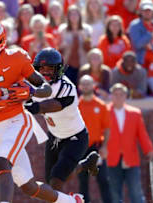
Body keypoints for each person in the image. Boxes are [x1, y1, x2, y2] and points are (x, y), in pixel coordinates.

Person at [0, 18, 84, 203]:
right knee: (29, 186)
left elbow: (46, 89)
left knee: (2, 161)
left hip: (18, 120)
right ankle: (71, 201)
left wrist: (31, 92)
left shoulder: (16, 57)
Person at [24, 48, 100, 191]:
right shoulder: (35, 85)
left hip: (75, 137)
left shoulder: (66, 86)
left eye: (50, 69)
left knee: (56, 180)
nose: (45, 72)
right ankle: (85, 164)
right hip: (54, 136)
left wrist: (33, 107)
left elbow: (54, 105)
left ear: (58, 70)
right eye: (42, 68)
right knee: (49, 183)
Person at [107, 83, 153, 203]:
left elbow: (142, 134)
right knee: (114, 193)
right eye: (115, 94)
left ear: (126, 96)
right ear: (111, 96)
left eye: (121, 94)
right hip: (111, 158)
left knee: (135, 192)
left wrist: (148, 149)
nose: (118, 97)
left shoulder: (135, 113)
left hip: (131, 157)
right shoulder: (105, 112)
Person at [77, 75, 112, 203]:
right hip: (80, 149)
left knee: (103, 179)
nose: (86, 86)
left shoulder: (101, 105)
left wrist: (104, 146)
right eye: (83, 84)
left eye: (88, 83)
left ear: (93, 86)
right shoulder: (75, 106)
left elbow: (107, 128)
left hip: (96, 148)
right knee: (83, 181)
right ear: (80, 86)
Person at [128, 0, 153, 65]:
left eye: (149, 10)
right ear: (140, 11)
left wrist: (152, 47)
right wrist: (151, 35)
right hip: (140, 62)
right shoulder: (134, 25)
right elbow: (137, 45)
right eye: (145, 10)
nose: (147, 13)